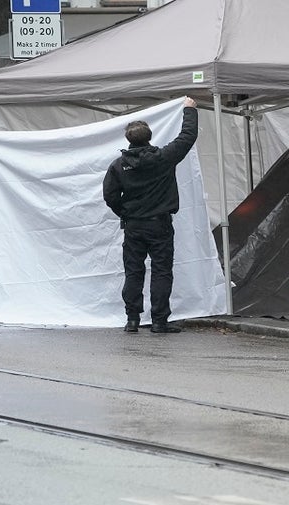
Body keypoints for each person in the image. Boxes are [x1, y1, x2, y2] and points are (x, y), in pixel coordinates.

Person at [103, 97, 199, 334]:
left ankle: (132, 319)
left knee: (133, 271)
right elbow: (187, 137)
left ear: (129, 140)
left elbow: (110, 195)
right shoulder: (163, 158)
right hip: (160, 224)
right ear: (150, 136)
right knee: (161, 271)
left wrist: (125, 212)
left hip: (134, 226)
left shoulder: (118, 165)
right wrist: (190, 110)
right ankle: (159, 321)